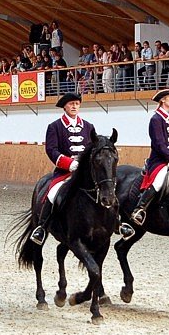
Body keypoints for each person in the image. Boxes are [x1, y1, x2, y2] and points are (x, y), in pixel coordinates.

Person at [30, 93, 134, 245]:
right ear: (65, 107)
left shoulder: (88, 126)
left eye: (77, 104)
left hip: (85, 173)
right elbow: (51, 150)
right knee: (52, 193)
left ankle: (117, 223)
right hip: (65, 171)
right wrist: (69, 163)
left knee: (108, 189)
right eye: (71, 104)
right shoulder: (55, 126)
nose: (74, 106)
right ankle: (42, 227)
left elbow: (94, 149)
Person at [131, 88, 169, 225]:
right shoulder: (156, 119)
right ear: (163, 100)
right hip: (160, 161)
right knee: (159, 181)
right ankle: (140, 208)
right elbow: (159, 145)